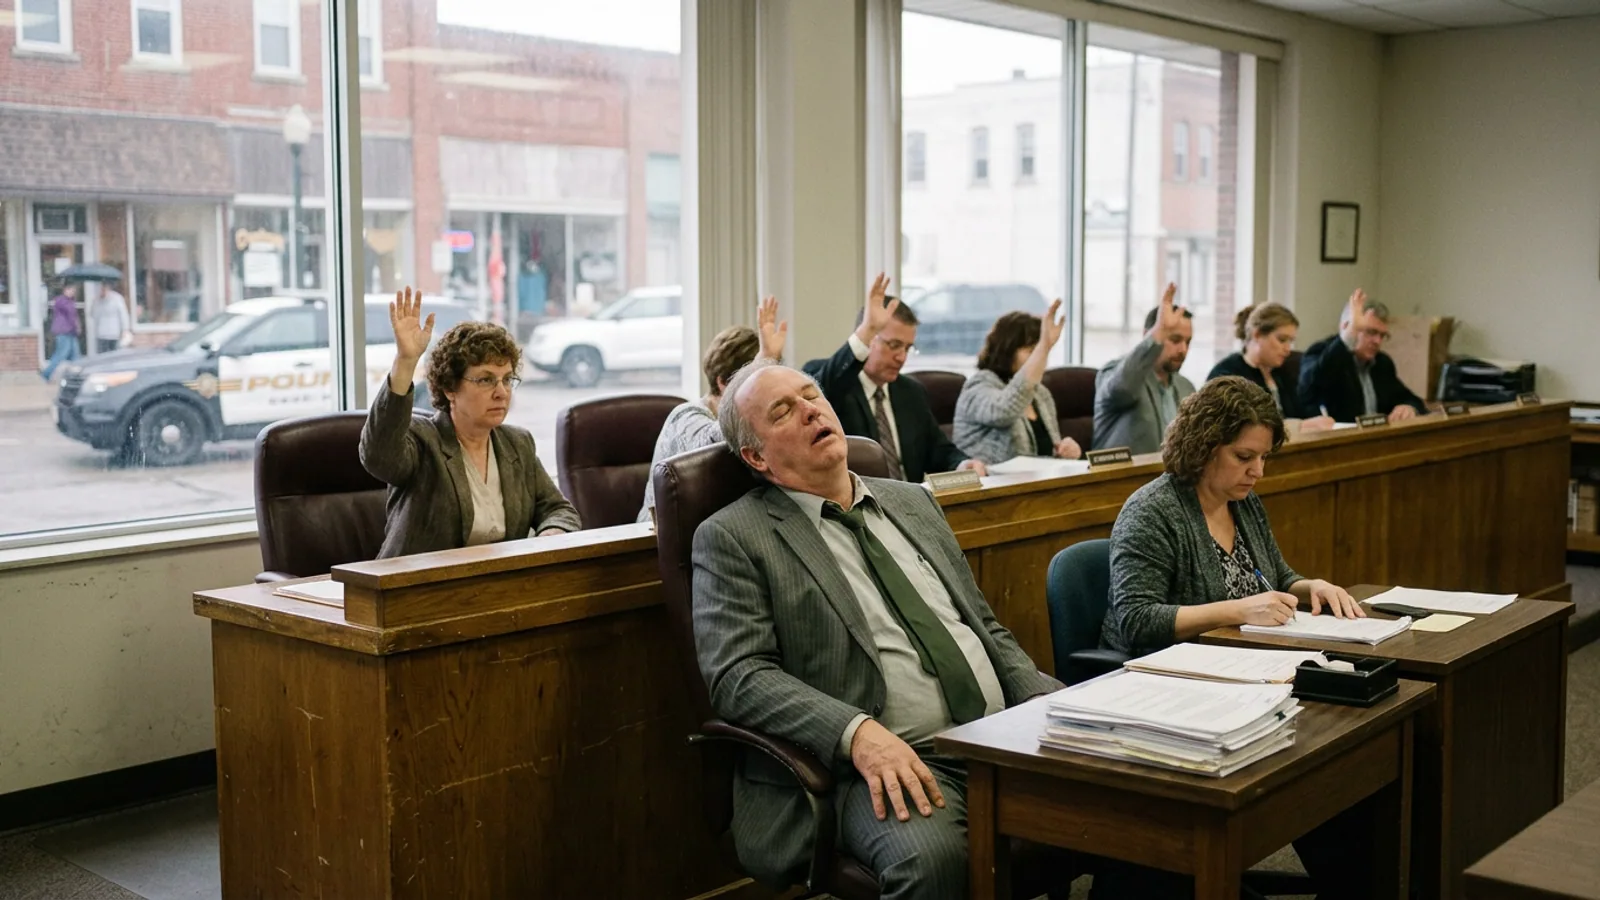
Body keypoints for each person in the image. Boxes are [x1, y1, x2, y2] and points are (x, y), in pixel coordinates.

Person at [693, 359, 1060, 899]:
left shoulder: (912, 502)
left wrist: (1056, 712)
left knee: (1141, 801)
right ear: (756, 456)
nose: (810, 410)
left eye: (811, 394)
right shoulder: (733, 537)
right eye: (783, 411)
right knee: (932, 861)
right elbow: (738, 677)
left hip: (994, 737)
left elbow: (982, 628)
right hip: (878, 764)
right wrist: (857, 734)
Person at [1095, 375, 1371, 898]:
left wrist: (1312, 586)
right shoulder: (1152, 511)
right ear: (1204, 446)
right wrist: (1239, 608)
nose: (1257, 471)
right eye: (1245, 456)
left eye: (1264, 458)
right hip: (1181, 688)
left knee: (1343, 758)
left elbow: (1277, 576)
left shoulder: (1243, 502)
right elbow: (1137, 619)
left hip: (1255, 675)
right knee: (1316, 757)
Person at [361, 287, 580, 558]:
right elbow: (378, 455)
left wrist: (551, 534)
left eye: (507, 379)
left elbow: (559, 510)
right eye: (486, 379)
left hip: (495, 589)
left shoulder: (517, 444)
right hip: (416, 591)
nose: (501, 392)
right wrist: (406, 362)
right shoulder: (423, 441)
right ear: (450, 388)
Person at [803, 274, 986, 483]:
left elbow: (938, 450)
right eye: (894, 345)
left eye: (908, 348)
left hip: (910, 503)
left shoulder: (911, 391)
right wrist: (866, 331)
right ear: (868, 338)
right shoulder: (831, 381)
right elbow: (825, 388)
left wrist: (962, 464)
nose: (902, 357)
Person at [637, 296, 787, 522]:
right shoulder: (685, 416)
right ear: (723, 383)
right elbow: (712, 448)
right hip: (653, 544)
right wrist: (764, 361)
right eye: (753, 382)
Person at [952, 302, 1083, 465]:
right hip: (990, 486)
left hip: (1034, 485)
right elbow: (1005, 410)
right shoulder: (978, 385)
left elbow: (1045, 459)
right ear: (1007, 350)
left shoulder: (1041, 394)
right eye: (1031, 351)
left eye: (1042, 351)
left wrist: (1065, 453)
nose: (1041, 358)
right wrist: (1043, 346)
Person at [1092, 283, 1196, 454]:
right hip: (1123, 479)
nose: (1183, 349)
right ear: (1148, 334)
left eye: (1188, 342)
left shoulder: (1186, 387)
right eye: (1175, 340)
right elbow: (1123, 387)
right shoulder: (1114, 373)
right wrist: (1158, 333)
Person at [1297, 288, 1427, 424]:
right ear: (1346, 327)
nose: (1378, 341)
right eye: (1371, 332)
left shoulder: (1381, 362)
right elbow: (1309, 388)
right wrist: (1348, 338)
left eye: (1382, 335)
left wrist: (1408, 407)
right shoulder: (1320, 352)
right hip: (1339, 441)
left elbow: (1408, 398)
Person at [1207, 303, 1334, 433]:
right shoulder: (1226, 375)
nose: (1287, 349)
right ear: (1257, 335)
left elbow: (1307, 411)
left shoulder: (1286, 372)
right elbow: (1240, 428)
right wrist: (1299, 426)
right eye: (1282, 340)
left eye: (1291, 341)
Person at [40, 283, 81, 382]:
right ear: (65, 290)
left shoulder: (68, 301)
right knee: (61, 354)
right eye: (70, 290)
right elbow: (71, 316)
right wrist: (77, 327)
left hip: (70, 332)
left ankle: (77, 376)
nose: (72, 292)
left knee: (76, 355)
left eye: (74, 290)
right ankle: (46, 373)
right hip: (64, 331)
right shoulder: (63, 301)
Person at [90, 282, 132, 354]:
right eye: (101, 289)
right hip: (101, 334)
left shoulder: (117, 298)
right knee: (101, 356)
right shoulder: (97, 300)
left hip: (114, 334)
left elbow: (123, 314)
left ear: (108, 288)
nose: (102, 291)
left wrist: (125, 329)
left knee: (114, 356)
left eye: (104, 289)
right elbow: (93, 315)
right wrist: (95, 302)